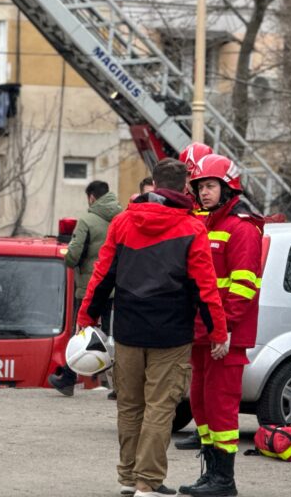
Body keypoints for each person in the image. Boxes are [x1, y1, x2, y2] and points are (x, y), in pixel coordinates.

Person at [78, 158, 229, 497]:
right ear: (183, 188)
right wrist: (218, 332)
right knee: (161, 406)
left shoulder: (123, 222)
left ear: (155, 184)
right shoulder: (192, 228)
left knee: (129, 405)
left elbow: (103, 277)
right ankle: (148, 481)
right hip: (171, 333)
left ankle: (127, 478)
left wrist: (86, 318)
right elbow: (205, 288)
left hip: (129, 328)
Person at [180, 155, 264, 497]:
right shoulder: (202, 224)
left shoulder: (242, 229)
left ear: (229, 188)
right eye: (200, 187)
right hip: (203, 333)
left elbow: (244, 287)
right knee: (199, 403)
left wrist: (224, 328)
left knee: (221, 405)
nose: (204, 193)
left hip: (226, 336)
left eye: (211, 186)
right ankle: (210, 471)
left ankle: (224, 480)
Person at [51, 180, 122, 396]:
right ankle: (118, 386)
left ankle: (68, 379)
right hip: (116, 288)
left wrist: (68, 255)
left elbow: (72, 256)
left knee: (81, 333)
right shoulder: (122, 218)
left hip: (90, 287)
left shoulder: (87, 221)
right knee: (110, 337)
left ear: (91, 197)